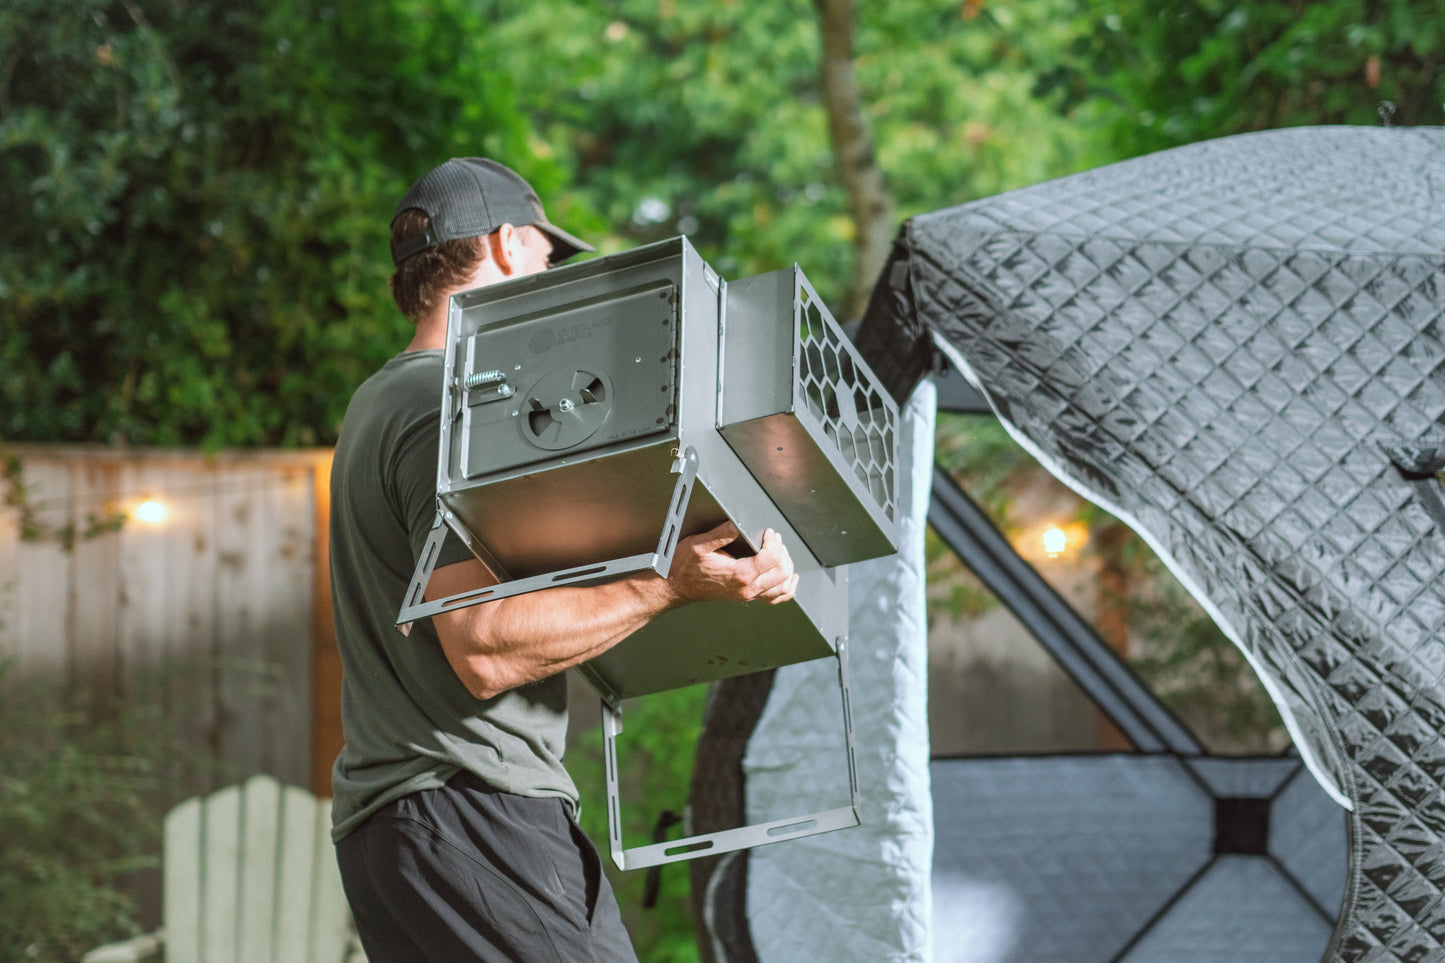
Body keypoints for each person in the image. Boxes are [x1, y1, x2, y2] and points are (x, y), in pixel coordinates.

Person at [328, 157, 800, 962]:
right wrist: (668, 582)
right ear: (509, 244)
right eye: (548, 258)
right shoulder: (448, 409)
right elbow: (481, 644)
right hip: (470, 807)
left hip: (401, 826)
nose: (550, 279)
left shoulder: (385, 403)